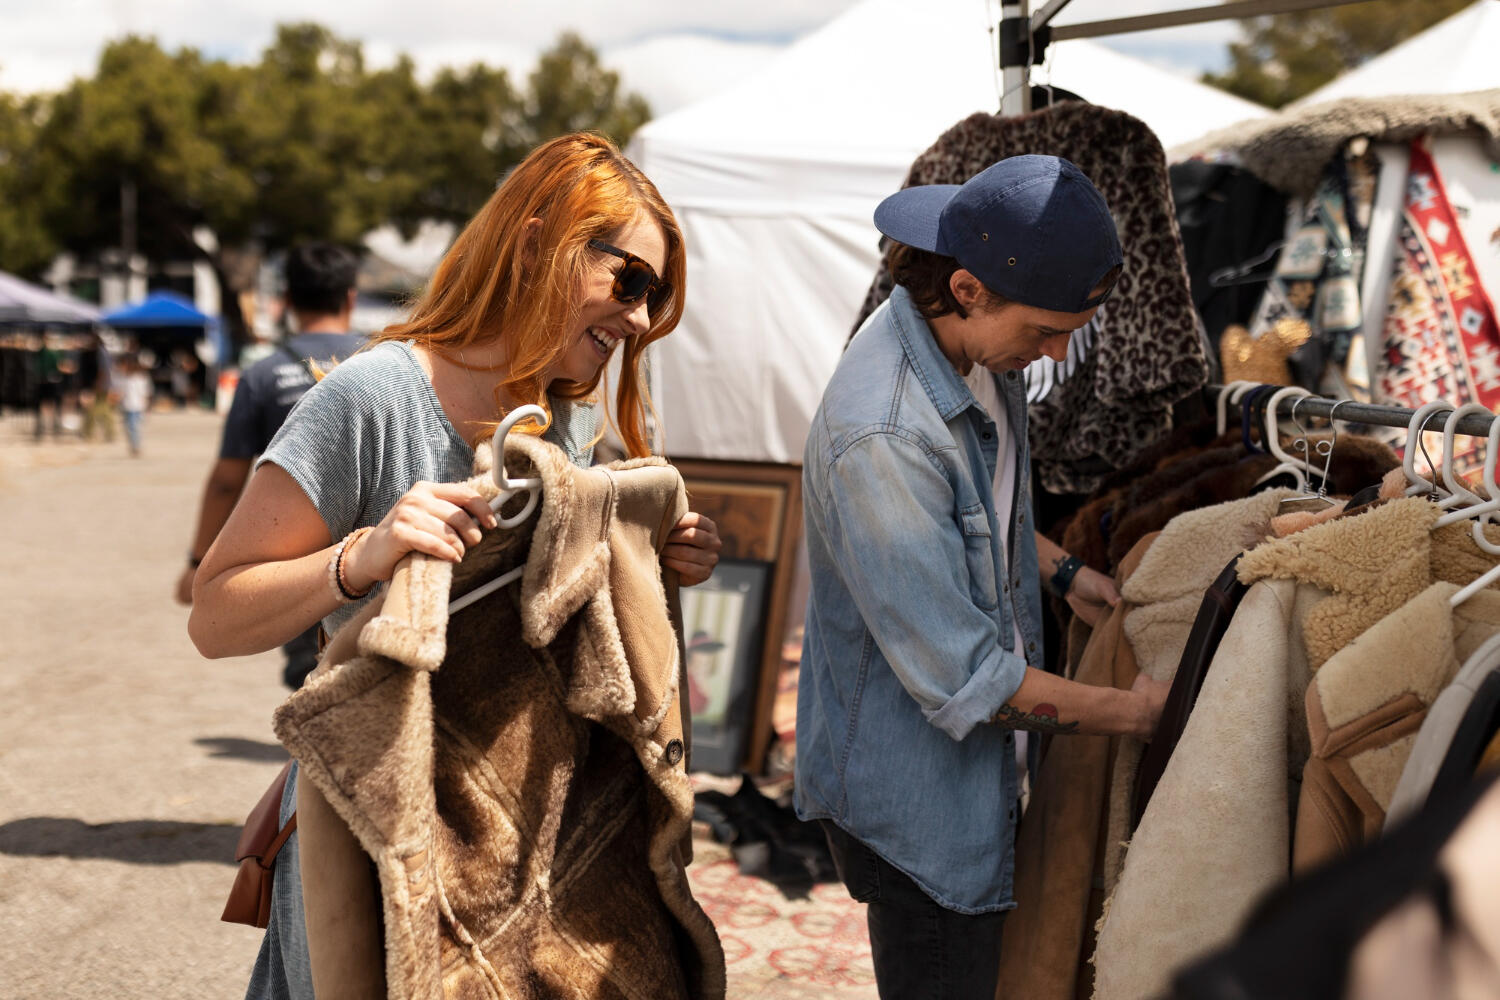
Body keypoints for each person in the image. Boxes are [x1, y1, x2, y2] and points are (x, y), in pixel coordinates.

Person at [187, 132, 722, 1000]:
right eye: (629, 281)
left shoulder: (569, 423)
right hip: (372, 836)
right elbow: (214, 616)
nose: (637, 317)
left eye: (654, 298)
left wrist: (656, 559)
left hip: (514, 844)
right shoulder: (370, 398)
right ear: (537, 239)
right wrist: (364, 554)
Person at [795, 155, 1170, 999]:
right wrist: (1139, 714)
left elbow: (974, 512)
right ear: (967, 288)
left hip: (967, 778)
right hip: (919, 802)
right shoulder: (884, 434)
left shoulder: (973, 356)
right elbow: (967, 682)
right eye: (1045, 330)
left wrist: (1061, 569)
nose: (1058, 351)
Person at [175, 242, 366, 689]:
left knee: (313, 680)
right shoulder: (386, 362)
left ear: (289, 303)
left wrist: (198, 562)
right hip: (377, 553)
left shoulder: (262, 375)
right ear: (351, 297)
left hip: (294, 559)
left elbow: (227, 480)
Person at [117, 352, 152, 457]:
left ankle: (136, 446)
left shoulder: (139, 378)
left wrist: (146, 407)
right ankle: (134, 446)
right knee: (128, 427)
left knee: (133, 427)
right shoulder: (124, 378)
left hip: (136, 406)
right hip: (126, 406)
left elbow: (145, 393)